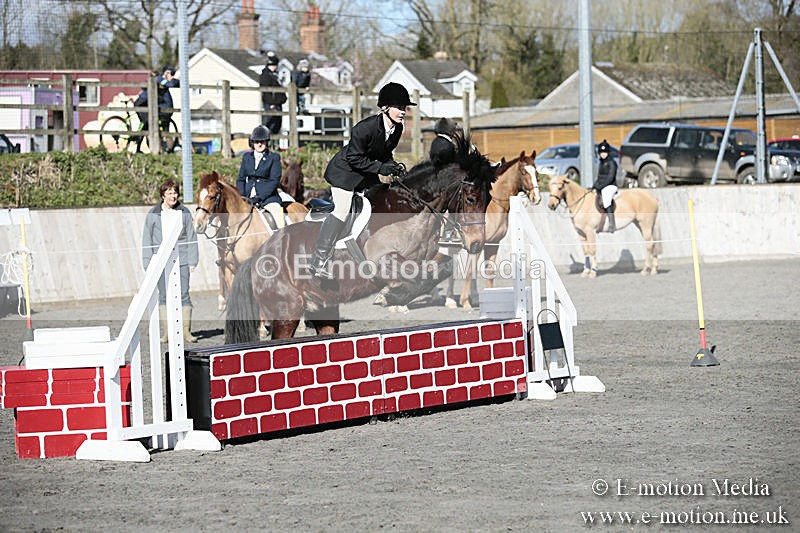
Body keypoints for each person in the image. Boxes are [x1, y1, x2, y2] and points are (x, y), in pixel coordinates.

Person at [308, 82, 414, 279]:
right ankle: (318, 259)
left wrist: (393, 166)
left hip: (366, 174)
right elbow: (354, 158)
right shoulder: (363, 129)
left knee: (384, 199)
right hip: (344, 173)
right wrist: (382, 167)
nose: (403, 111)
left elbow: (384, 153)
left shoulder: (397, 129)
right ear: (385, 108)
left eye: (404, 107)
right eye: (399, 107)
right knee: (342, 209)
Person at [142, 179, 199, 342]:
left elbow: (191, 236)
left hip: (181, 258)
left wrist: (192, 260)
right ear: (163, 195)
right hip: (160, 259)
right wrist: (148, 262)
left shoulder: (185, 212)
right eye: (169, 193)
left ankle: (186, 330)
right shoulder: (153, 213)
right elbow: (147, 238)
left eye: (175, 192)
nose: (173, 196)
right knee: (164, 296)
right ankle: (167, 332)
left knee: (183, 294)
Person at [236, 125, 285, 228]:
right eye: (256, 141)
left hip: (268, 198)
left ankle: (281, 238)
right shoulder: (246, 157)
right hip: (248, 197)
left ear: (267, 142)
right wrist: (243, 196)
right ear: (252, 142)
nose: (259, 144)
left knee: (277, 214)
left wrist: (260, 197)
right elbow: (241, 179)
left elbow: (274, 180)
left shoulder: (273, 158)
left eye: (262, 141)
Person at [133, 66, 180, 153]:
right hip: (160, 109)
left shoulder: (160, 80)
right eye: (172, 74)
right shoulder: (159, 79)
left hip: (162, 109)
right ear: (166, 73)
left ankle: (165, 148)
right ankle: (140, 146)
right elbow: (172, 84)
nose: (173, 76)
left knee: (152, 126)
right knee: (148, 125)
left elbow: (174, 83)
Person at [593, 139, 618, 233]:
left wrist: (601, 186)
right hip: (603, 185)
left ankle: (612, 224)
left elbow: (610, 177)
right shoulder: (601, 163)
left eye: (605, 152)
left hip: (611, 185)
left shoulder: (612, 163)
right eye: (601, 152)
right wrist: (595, 185)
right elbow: (599, 176)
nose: (603, 154)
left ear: (608, 153)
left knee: (606, 197)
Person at [260, 51, 286, 137]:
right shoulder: (265, 76)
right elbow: (266, 91)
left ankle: (274, 144)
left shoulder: (276, 76)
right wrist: (271, 103)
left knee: (277, 125)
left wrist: (282, 99)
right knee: (270, 124)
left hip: (277, 102)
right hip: (271, 103)